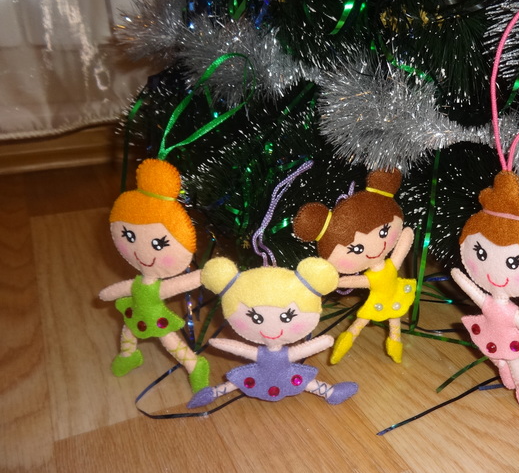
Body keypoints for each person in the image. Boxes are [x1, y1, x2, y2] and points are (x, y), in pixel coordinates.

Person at [99, 159, 209, 392]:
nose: (140, 251)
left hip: (157, 320)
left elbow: (181, 284)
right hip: (136, 314)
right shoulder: (140, 281)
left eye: (159, 244)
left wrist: (204, 275)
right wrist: (107, 294)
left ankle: (194, 365)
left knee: (170, 342)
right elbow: (124, 288)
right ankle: (129, 356)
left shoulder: (156, 287)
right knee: (128, 332)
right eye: (129, 236)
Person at [187, 256, 358, 408]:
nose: (272, 329)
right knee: (240, 382)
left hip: (279, 376)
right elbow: (242, 349)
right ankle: (213, 393)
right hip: (262, 376)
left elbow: (241, 349)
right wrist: (324, 342)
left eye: (287, 317)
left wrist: (323, 342)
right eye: (256, 318)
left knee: (300, 382)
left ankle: (330, 392)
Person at [450, 171, 519, 411]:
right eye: (481, 253)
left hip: (508, 340)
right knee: (492, 353)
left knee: (514, 360)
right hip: (490, 332)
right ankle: (501, 366)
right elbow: (476, 293)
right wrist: (461, 278)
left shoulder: (510, 310)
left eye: (514, 262)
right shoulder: (489, 302)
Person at [293, 168, 415, 364]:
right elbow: (355, 280)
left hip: (395, 295)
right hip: (377, 301)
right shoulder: (383, 270)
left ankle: (394, 347)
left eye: (384, 232)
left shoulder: (390, 265)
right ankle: (344, 345)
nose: (375, 248)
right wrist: (335, 282)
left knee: (394, 320)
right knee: (360, 324)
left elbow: (404, 239)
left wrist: (337, 282)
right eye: (356, 249)